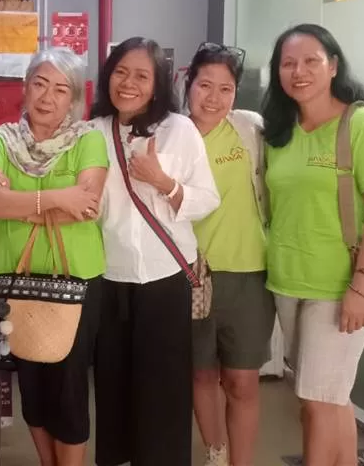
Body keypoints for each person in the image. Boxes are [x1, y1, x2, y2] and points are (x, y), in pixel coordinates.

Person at [262, 24, 364, 465]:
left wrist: (362, 286)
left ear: (333, 66)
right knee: (326, 397)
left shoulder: (360, 124)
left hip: (340, 287)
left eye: (311, 61)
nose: (298, 71)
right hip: (288, 281)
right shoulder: (280, 132)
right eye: (288, 63)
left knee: (319, 403)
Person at [92, 37, 220, 466]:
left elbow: (208, 199)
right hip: (109, 278)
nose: (129, 83)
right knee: (113, 387)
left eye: (141, 76)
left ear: (157, 84)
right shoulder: (92, 131)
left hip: (165, 278)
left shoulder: (179, 130)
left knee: (164, 390)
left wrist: (163, 181)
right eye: (121, 72)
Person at [0, 47, 108, 466]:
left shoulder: (88, 140)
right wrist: (55, 198)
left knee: (68, 392)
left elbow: (86, 206)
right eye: (40, 84)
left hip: (76, 282)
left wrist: (17, 204)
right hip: (16, 281)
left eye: (60, 89)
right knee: (31, 391)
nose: (48, 97)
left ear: (74, 98)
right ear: (25, 87)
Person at [184, 43, 275, 466]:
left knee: (242, 381)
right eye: (205, 85)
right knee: (201, 373)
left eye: (226, 89)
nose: (214, 98)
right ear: (188, 84)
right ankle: (215, 453)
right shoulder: (170, 135)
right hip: (191, 275)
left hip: (248, 274)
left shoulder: (250, 129)